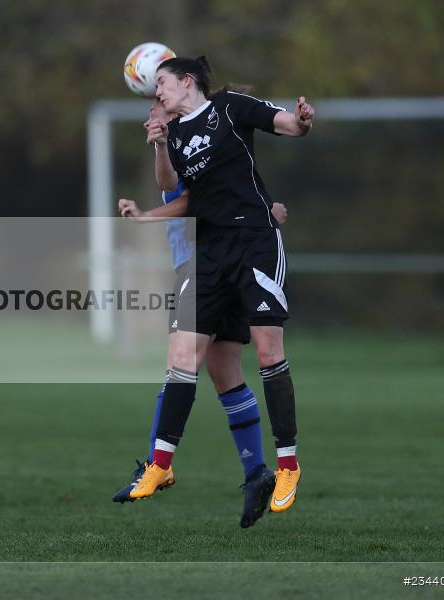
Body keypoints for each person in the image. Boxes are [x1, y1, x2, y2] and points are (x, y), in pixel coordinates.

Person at [117, 56, 313, 516]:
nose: (157, 95)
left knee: (266, 351)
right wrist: (159, 156)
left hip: (253, 242)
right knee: (183, 356)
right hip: (207, 253)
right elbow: (182, 195)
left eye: (161, 84)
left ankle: (287, 464)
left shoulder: (230, 106)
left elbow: (285, 124)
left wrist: (301, 121)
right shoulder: (178, 133)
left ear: (186, 81)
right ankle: (161, 462)